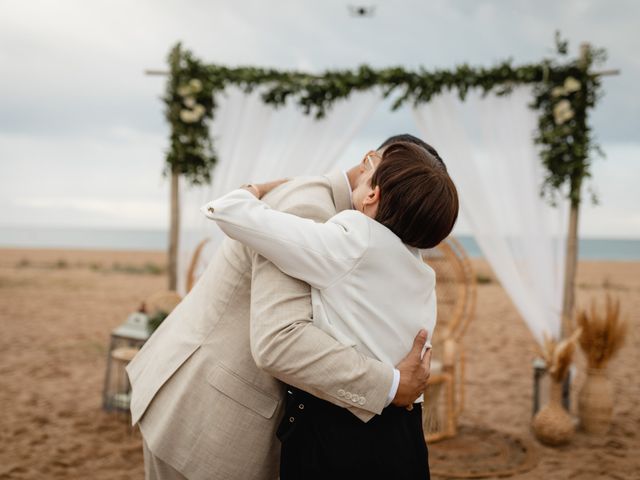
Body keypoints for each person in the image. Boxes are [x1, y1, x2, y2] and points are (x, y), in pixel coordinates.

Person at [126, 134, 437, 480]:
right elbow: (280, 341)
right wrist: (391, 385)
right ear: (372, 167)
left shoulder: (344, 216)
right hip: (205, 417)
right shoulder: (309, 211)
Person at [201, 141, 459, 479]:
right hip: (405, 435)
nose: (360, 170)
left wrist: (262, 188)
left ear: (371, 196)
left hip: (340, 437)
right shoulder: (421, 271)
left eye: (368, 168)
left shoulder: (351, 242)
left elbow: (228, 210)